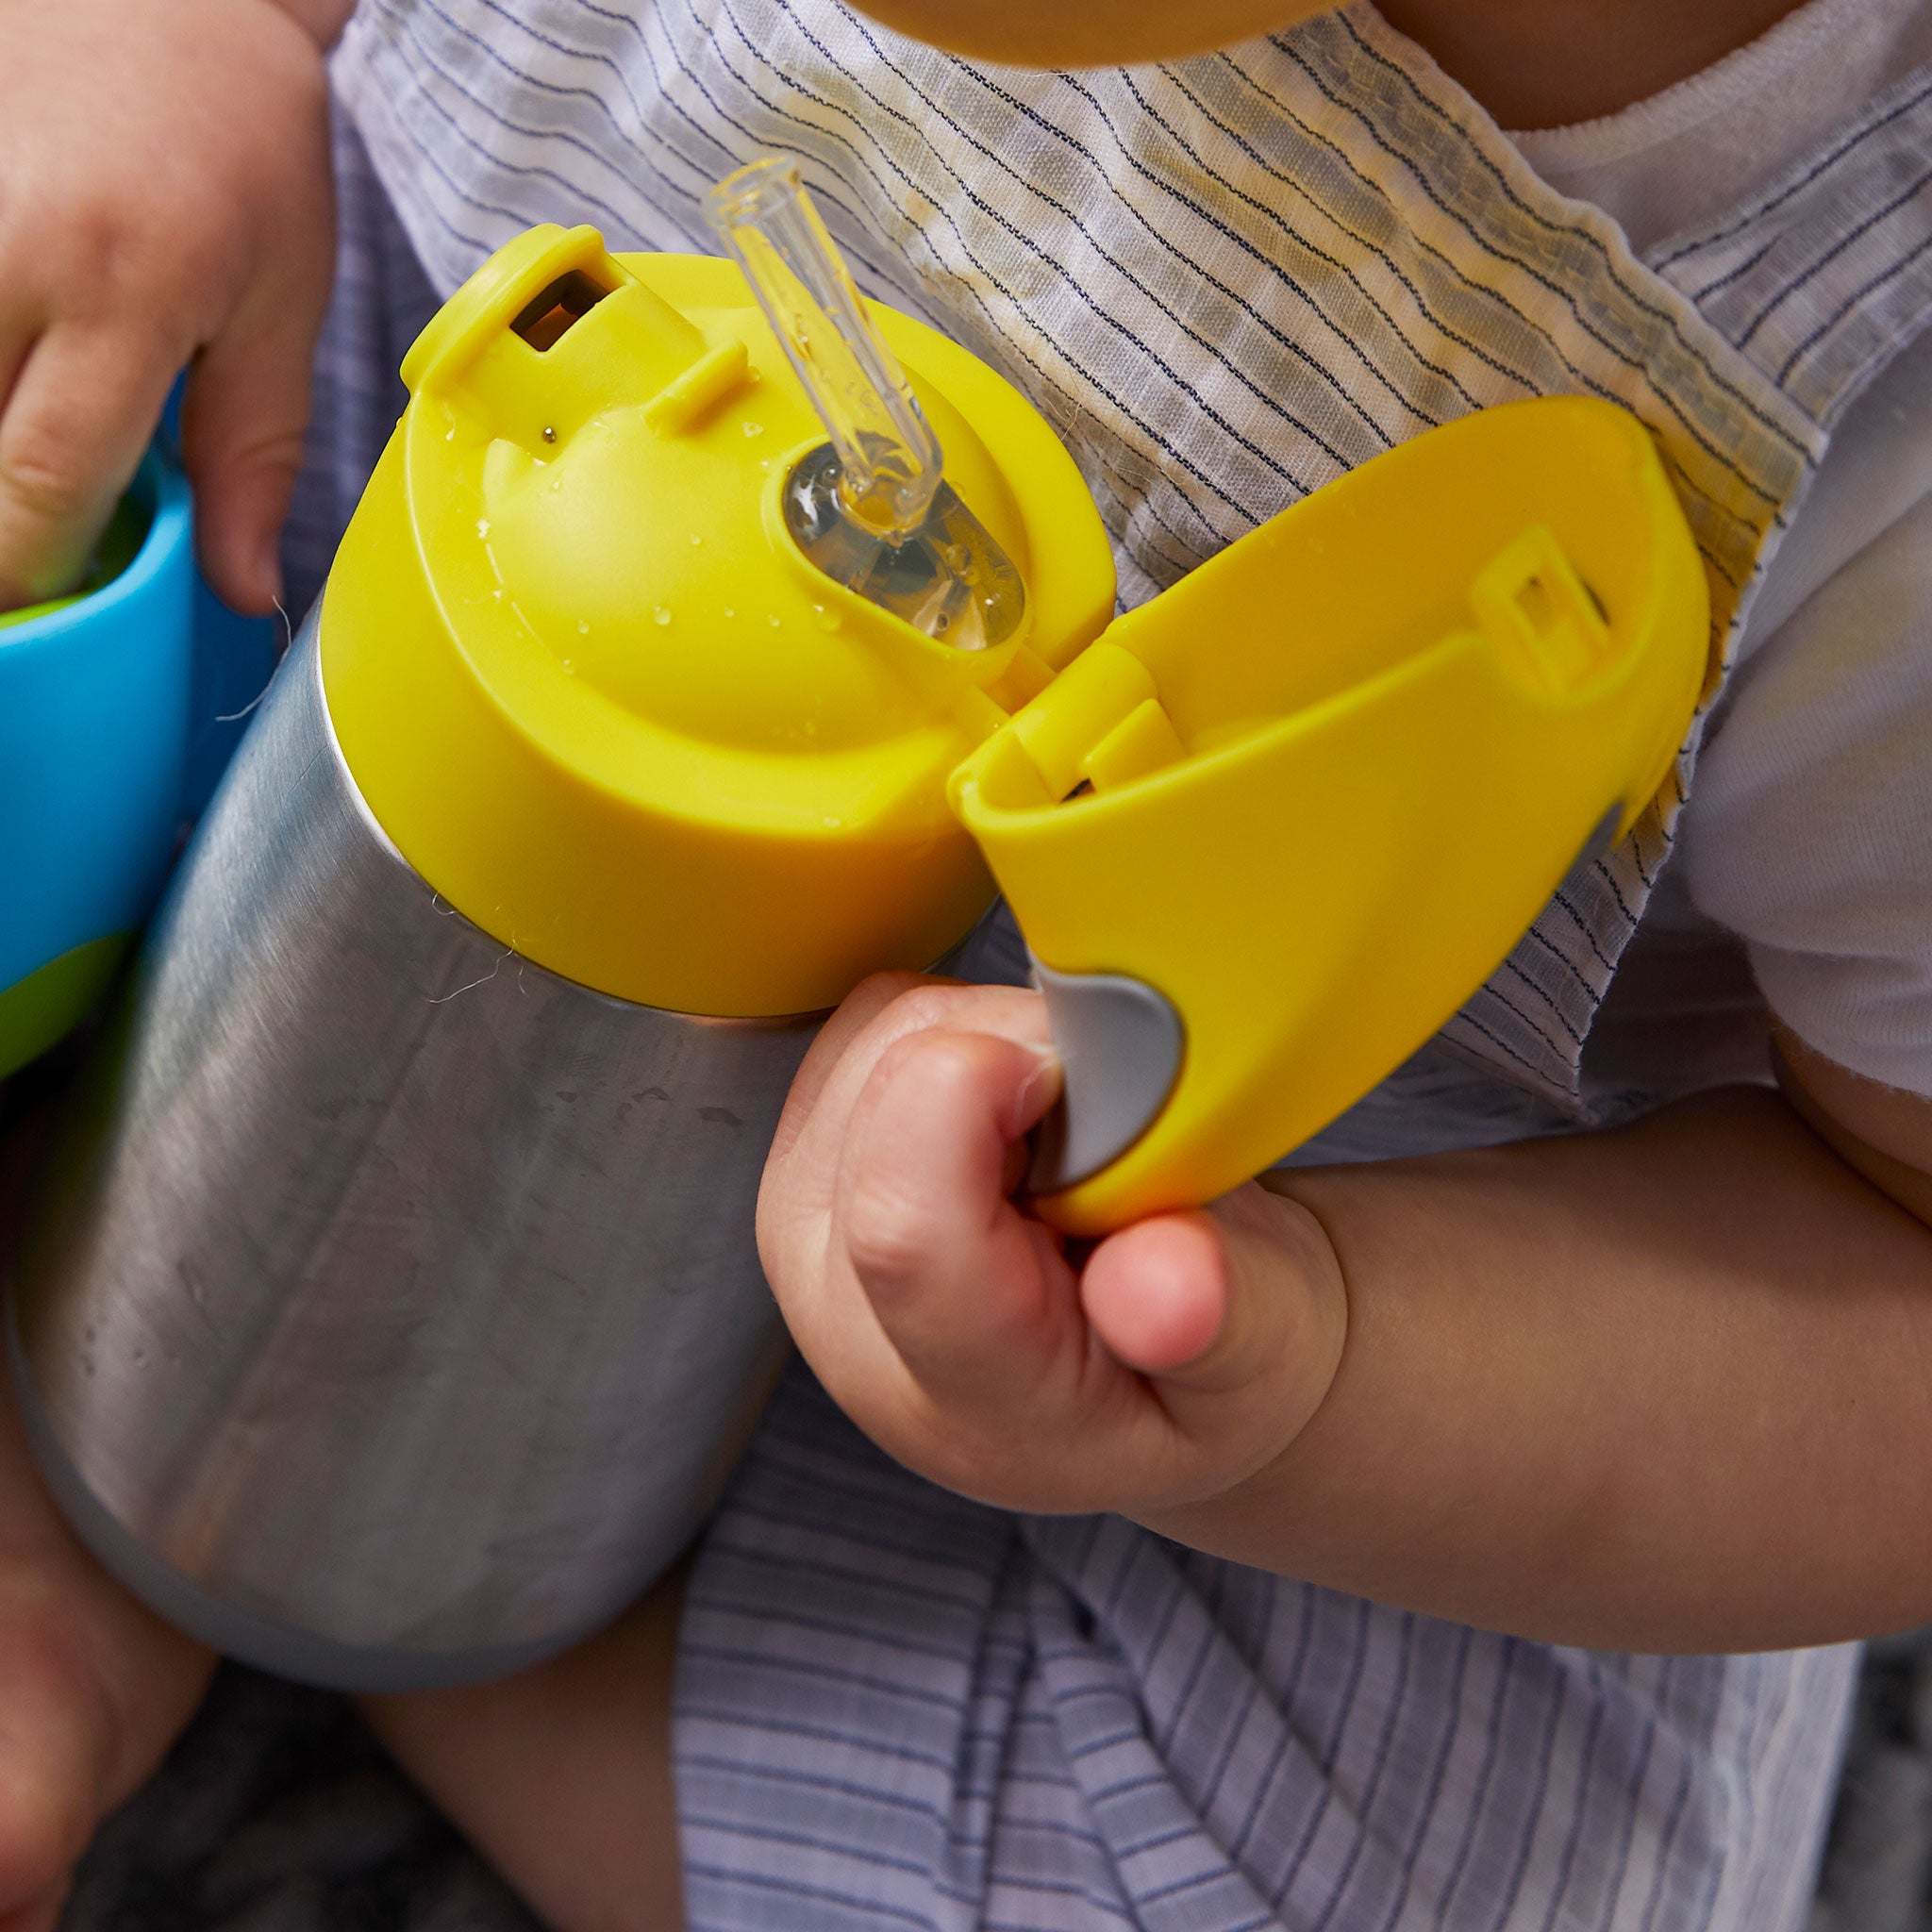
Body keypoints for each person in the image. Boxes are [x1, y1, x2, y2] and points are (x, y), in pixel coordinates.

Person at [2, 0, 1931, 1927]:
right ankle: (163, 1401)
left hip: (1217, 1190)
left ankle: (339, 1559)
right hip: (355, 432)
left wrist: (1330, 1355)